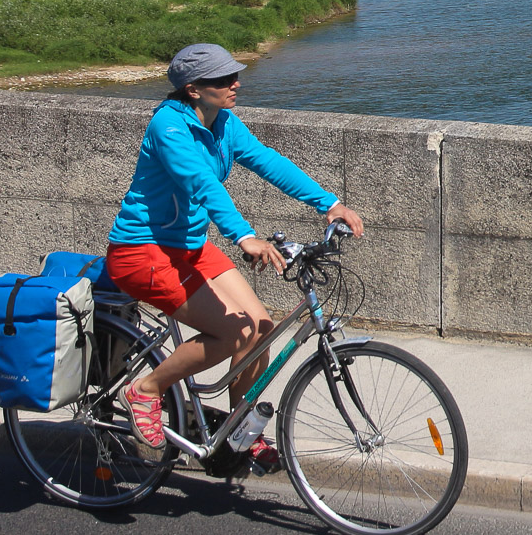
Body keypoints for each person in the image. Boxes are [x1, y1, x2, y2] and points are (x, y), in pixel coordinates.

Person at [105, 43, 364, 469]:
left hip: (189, 247)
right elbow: (201, 182)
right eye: (224, 80)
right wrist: (243, 236)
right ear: (192, 89)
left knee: (260, 327)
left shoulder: (223, 122)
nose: (236, 84)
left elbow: (267, 161)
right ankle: (146, 390)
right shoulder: (168, 128)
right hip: (142, 253)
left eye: (234, 75)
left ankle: (237, 433)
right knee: (230, 333)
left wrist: (329, 204)